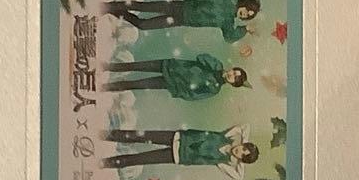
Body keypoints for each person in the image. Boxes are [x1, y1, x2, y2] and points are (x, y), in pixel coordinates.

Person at [101, 125, 259, 180]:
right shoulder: (226, 136)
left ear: (240, 159)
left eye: (242, 155)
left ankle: (104, 163)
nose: (239, 151)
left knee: (138, 159)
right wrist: (245, 141)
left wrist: (241, 161)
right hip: (177, 137)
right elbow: (245, 127)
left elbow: (239, 176)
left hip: (177, 156)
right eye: (243, 148)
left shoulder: (222, 162)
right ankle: (104, 135)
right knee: (137, 136)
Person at [104, 0, 260, 42]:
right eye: (247, 9)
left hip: (179, 20)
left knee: (143, 25)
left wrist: (245, 29)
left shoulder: (228, 23)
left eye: (248, 15)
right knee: (141, 6)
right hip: (178, 6)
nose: (245, 13)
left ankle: (113, 9)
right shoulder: (224, 0)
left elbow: (229, 37)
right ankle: (109, 6)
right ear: (244, 4)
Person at [102, 56, 249, 100]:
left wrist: (178, 89)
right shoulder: (217, 64)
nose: (231, 75)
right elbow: (201, 57)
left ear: (232, 84)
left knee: (137, 84)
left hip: (171, 82)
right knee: (135, 66)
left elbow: (193, 96)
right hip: (170, 66)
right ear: (233, 68)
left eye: (234, 79)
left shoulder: (214, 89)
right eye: (234, 72)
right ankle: (107, 67)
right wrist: (216, 68)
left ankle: (106, 87)